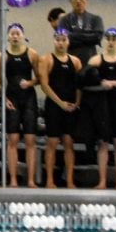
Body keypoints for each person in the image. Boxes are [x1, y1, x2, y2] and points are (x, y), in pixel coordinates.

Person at [38, 29, 82, 189]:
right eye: (58, 39)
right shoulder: (46, 59)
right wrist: (60, 103)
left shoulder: (76, 61)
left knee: (69, 143)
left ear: (68, 42)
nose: (61, 43)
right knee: (52, 142)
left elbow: (79, 85)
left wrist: (77, 103)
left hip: (70, 107)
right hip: (54, 107)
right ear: (54, 41)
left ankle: (69, 180)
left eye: (63, 40)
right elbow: (44, 85)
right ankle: (50, 180)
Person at [0, 23, 39, 189]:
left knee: (31, 139)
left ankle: (30, 179)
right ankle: (13, 179)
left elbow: (40, 78)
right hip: (12, 98)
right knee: (13, 140)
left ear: (22, 35)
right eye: (12, 34)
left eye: (18, 33)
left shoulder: (32, 54)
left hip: (29, 98)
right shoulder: (3, 56)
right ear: (8, 36)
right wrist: (3, 98)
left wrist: (29, 82)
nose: (15, 36)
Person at [89, 28, 116, 190]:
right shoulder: (96, 60)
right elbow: (85, 80)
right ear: (105, 40)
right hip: (102, 103)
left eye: (114, 38)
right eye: (108, 38)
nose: (111, 41)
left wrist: (113, 84)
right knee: (103, 143)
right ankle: (102, 181)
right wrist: (100, 84)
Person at [60, 0, 104, 65]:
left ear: (86, 0)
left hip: (90, 62)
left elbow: (97, 38)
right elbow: (64, 39)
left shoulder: (95, 19)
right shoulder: (64, 20)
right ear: (70, 1)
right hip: (71, 61)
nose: (78, 1)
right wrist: (88, 36)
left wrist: (73, 35)